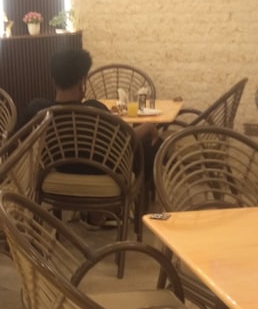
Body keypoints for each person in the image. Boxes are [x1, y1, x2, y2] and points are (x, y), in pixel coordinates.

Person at [21, 44, 158, 227]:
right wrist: (149, 125)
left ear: (53, 79)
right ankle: (108, 213)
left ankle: (95, 215)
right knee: (147, 147)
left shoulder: (38, 110)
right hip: (100, 174)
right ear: (82, 81)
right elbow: (126, 140)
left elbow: (20, 142)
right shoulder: (95, 110)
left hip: (56, 170)